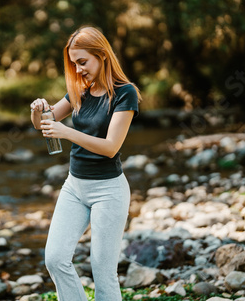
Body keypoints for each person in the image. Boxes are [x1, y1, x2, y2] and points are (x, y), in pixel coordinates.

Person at [30, 26, 141, 301]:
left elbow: (111, 147)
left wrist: (67, 132)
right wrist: (36, 112)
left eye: (82, 62)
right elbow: (46, 122)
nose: (78, 70)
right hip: (74, 187)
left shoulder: (124, 94)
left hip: (109, 191)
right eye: (73, 63)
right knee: (55, 259)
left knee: (103, 272)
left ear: (101, 55)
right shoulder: (79, 91)